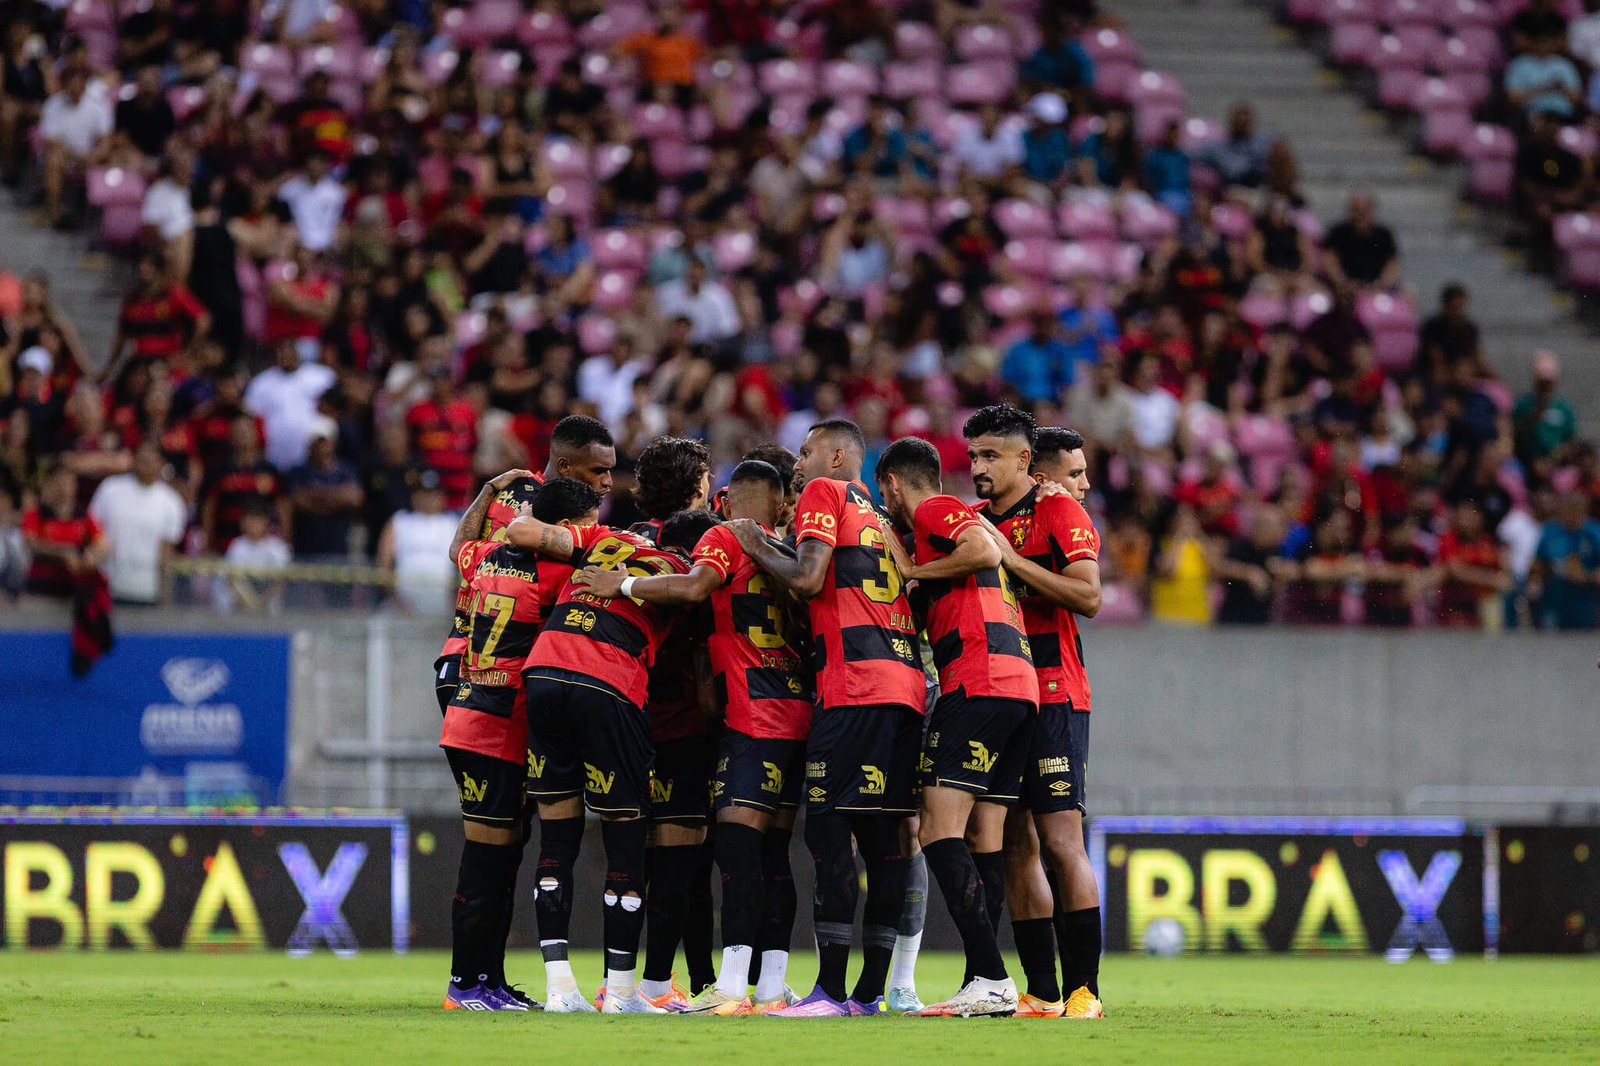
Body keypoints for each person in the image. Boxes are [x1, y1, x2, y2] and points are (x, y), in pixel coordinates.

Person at [574, 459, 812, 1015]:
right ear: (781, 506)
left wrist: (624, 582)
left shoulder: (723, 538)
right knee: (775, 853)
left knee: (732, 849)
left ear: (731, 504)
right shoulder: (797, 555)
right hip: (800, 709)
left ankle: (728, 987)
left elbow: (695, 587)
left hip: (747, 715)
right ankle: (771, 989)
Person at [723, 418, 924, 1016]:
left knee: (830, 833)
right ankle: (870, 993)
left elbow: (809, 577)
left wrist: (752, 542)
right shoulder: (884, 518)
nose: (799, 464)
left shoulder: (825, 493)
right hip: (907, 686)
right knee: (886, 842)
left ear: (839, 456)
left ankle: (832, 990)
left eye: (807, 452)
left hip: (854, 686)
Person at [506, 507, 714, 1013]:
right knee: (624, 838)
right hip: (608, 681)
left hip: (544, 669)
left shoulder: (603, 540)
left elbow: (527, 530)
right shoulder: (681, 573)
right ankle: (621, 993)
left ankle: (560, 990)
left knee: (557, 835)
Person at [873, 434, 1037, 1018]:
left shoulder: (938, 511)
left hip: (980, 680)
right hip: (1019, 688)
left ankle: (991, 977)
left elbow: (984, 553)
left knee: (937, 830)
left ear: (893, 483)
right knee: (983, 837)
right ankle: (982, 981)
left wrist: (913, 568)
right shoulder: (943, 530)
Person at [437, 469, 599, 1012]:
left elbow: (457, 544)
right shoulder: (556, 573)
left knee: (502, 859)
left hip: (469, 715)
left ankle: (490, 980)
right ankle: (466, 984)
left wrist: (484, 492)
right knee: (486, 862)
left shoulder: (482, 556)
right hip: (499, 725)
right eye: (583, 525)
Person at [963, 410, 1106, 1019]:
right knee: (1017, 843)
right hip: (1001, 698)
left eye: (989, 457)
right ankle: (1042, 991)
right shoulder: (973, 523)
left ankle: (1085, 991)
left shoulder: (1058, 511)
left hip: (1054, 692)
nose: (976, 468)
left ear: (1023, 463)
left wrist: (1009, 561)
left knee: (1059, 839)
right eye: (973, 457)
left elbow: (1089, 595)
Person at [617, 437, 717, 1010]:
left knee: (643, 853)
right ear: (699, 484)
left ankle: (662, 980)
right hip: (685, 715)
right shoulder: (702, 543)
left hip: (626, 711)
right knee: (688, 856)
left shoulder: (622, 543)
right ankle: (661, 984)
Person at [87, 438, 187, 605]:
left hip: (147, 591)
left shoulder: (171, 502)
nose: (146, 458)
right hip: (107, 587)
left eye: (152, 455)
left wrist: (165, 599)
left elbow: (166, 553)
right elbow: (92, 531)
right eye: (142, 453)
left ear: (161, 462)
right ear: (134, 457)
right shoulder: (110, 488)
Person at [377, 469, 460, 613]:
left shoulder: (453, 524)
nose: (427, 498)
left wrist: (455, 601)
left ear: (442, 496)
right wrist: (393, 596)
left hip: (443, 603)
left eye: (432, 493)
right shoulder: (399, 521)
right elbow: (383, 562)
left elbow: (464, 566)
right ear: (414, 495)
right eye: (422, 493)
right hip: (402, 602)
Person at [21, 463, 106, 598]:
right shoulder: (36, 514)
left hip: (74, 585)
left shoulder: (83, 515)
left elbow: (102, 544)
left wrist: (92, 554)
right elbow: (31, 544)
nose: (63, 487)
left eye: (68, 481)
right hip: (42, 584)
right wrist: (62, 553)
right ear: (49, 484)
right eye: (59, 482)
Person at [1532, 492, 1600, 629]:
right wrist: (1536, 579)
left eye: (1576, 508)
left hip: (1584, 598)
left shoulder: (1594, 532)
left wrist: (1586, 576)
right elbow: (1537, 562)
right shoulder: (1550, 531)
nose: (1571, 513)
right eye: (1567, 508)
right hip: (1553, 596)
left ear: (1584, 510)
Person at [1321, 194, 1400, 291]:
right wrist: (1342, 282)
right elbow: (1329, 260)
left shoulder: (1384, 234)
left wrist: (1382, 284)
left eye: (1364, 210)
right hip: (1344, 288)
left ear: (1371, 210)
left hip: (1377, 285)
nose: (1360, 214)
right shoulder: (1337, 233)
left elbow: (1392, 264)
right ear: (1350, 210)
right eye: (1356, 209)